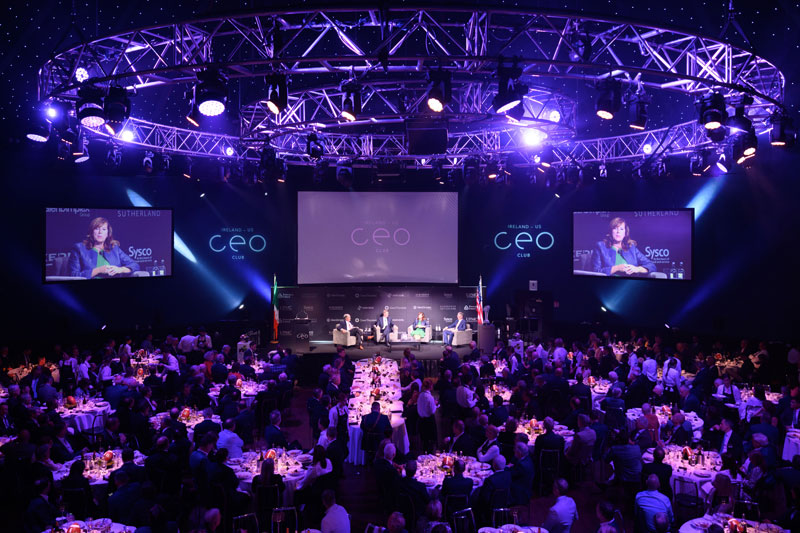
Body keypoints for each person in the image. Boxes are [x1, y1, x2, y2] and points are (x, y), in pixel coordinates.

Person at [68, 216, 140, 278]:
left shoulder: (114, 248)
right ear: (91, 232)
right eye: (97, 229)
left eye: (104, 229)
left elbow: (135, 265)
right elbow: (73, 275)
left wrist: (120, 269)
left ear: (107, 233)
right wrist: (98, 270)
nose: (100, 232)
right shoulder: (79, 248)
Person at [590, 217, 657, 276]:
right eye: (615, 228)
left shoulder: (631, 248)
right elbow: (595, 272)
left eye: (621, 229)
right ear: (610, 231)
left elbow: (652, 266)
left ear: (625, 233)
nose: (618, 231)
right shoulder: (601, 246)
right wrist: (617, 268)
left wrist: (637, 269)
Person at [510, 441, 535, 506]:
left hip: (520, 493)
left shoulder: (521, 465)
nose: (513, 451)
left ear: (519, 452)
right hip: (526, 488)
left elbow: (511, 474)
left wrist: (506, 468)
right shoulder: (527, 458)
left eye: (515, 450)